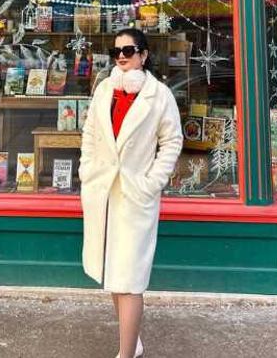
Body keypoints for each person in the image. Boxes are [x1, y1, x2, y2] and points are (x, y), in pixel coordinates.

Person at [80, 27, 183, 358]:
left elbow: (172, 141)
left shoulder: (159, 95)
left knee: (130, 279)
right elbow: (90, 133)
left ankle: (126, 354)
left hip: (135, 195)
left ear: (144, 54)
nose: (121, 57)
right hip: (104, 192)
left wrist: (151, 183)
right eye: (116, 52)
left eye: (128, 50)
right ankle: (133, 342)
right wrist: (86, 170)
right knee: (113, 273)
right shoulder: (104, 89)